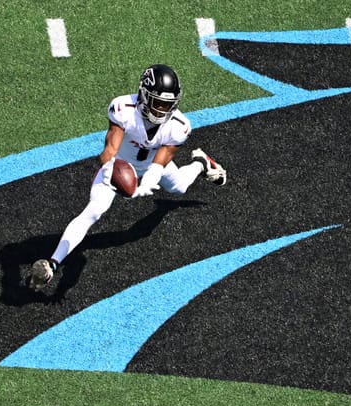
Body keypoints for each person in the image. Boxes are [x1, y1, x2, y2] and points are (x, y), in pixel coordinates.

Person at [29, 64, 227, 291]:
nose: (162, 111)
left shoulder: (179, 125)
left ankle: (200, 163)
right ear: (143, 94)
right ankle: (52, 264)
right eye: (158, 103)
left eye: (168, 105)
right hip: (118, 166)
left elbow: (164, 156)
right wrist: (109, 170)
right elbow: (109, 149)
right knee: (94, 210)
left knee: (178, 188)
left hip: (152, 164)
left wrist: (151, 177)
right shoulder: (124, 108)